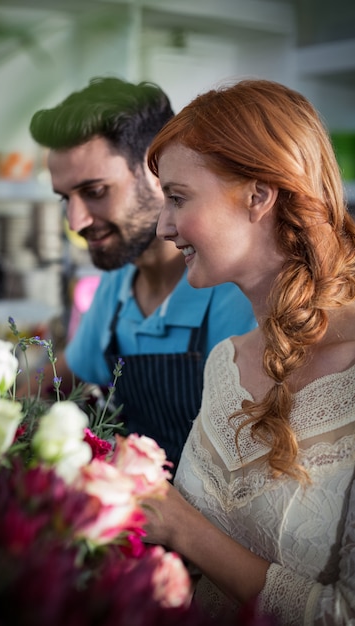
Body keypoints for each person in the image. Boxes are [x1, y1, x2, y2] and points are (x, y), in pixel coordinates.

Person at [143, 78, 355, 624]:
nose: (164, 226)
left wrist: (180, 526)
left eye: (177, 197)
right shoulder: (225, 363)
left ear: (259, 195)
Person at [25, 77, 256, 469]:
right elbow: (59, 374)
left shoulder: (241, 291)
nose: (75, 221)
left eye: (95, 191)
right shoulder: (117, 284)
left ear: (158, 167)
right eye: (66, 198)